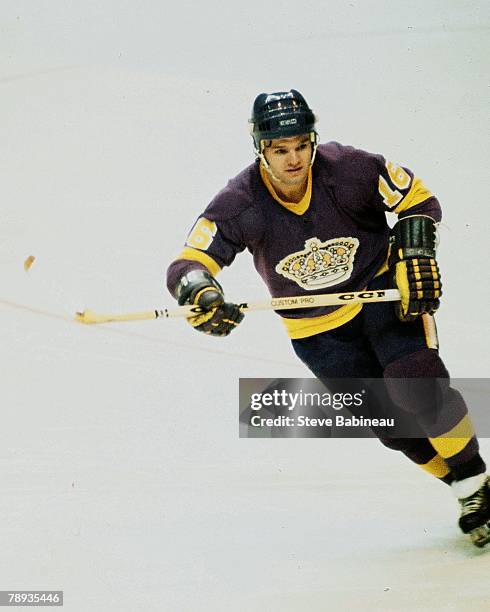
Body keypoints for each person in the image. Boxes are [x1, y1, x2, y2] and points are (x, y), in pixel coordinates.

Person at [166, 89, 490, 547]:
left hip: (381, 296)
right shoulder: (240, 202)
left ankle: (475, 485)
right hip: (316, 328)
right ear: (261, 148)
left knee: (416, 383)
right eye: (281, 150)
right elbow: (191, 259)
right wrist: (199, 289)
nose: (294, 159)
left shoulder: (352, 169)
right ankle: (471, 487)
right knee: (392, 426)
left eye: (301, 144)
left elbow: (417, 199)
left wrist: (415, 249)